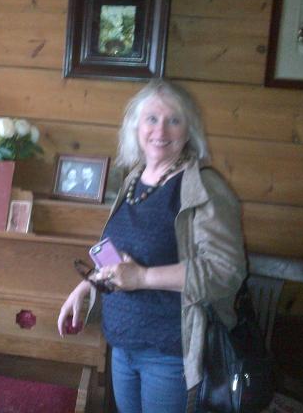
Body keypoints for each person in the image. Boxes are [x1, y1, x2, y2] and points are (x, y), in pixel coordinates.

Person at [57, 79, 246, 413]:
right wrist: (87, 285)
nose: (161, 130)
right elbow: (123, 257)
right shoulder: (135, 178)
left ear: (189, 131)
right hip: (122, 344)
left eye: (174, 120)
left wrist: (143, 278)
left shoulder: (203, 187)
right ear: (136, 127)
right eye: (152, 119)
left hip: (170, 352)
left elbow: (225, 271)